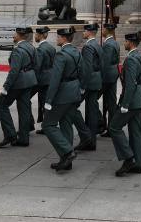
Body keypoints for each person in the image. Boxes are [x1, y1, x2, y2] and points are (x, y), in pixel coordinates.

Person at [41, 27, 84, 172]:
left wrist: (48, 100)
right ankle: (66, 161)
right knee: (66, 125)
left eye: (58, 37)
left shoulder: (61, 55)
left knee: (48, 125)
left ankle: (67, 152)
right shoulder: (77, 52)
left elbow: (55, 79)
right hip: (74, 91)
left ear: (64, 38)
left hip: (63, 94)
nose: (57, 39)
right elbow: (82, 72)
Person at [110, 32, 141, 176]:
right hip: (138, 99)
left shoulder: (131, 59)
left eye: (125, 41)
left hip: (131, 101)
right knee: (135, 131)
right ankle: (138, 164)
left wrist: (125, 104)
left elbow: (130, 84)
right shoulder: (140, 55)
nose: (124, 43)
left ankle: (128, 157)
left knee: (114, 127)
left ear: (130, 43)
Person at [0, 27, 37, 148]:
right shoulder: (31, 47)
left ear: (20, 35)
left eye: (15, 34)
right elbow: (36, 64)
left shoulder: (17, 50)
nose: (13, 36)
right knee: (24, 109)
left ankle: (10, 134)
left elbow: (14, 71)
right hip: (29, 80)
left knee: (2, 106)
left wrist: (6, 86)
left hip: (18, 82)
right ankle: (24, 138)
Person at [77, 23, 102, 150]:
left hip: (89, 82)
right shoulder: (97, 45)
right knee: (92, 111)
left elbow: (87, 68)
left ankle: (86, 138)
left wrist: (82, 86)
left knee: (72, 108)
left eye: (84, 31)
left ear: (89, 32)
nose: (83, 33)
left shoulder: (88, 47)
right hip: (96, 80)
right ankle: (91, 140)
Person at [33, 26, 56, 134]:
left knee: (43, 102)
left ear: (40, 35)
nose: (35, 36)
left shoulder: (40, 49)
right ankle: (47, 124)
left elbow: (38, 66)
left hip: (42, 79)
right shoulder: (51, 47)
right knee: (47, 101)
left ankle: (46, 125)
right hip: (50, 77)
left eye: (36, 34)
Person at [100, 23, 121, 136]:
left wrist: (101, 78)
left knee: (98, 100)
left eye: (103, 29)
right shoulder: (115, 42)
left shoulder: (108, 44)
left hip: (107, 76)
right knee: (111, 102)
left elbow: (105, 63)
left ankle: (102, 124)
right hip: (113, 75)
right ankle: (110, 127)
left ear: (107, 30)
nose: (102, 30)